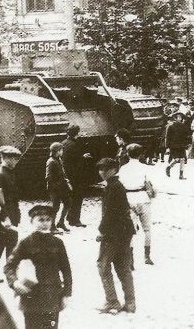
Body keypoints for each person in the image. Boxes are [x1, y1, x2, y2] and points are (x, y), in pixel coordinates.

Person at [4, 204, 72, 329]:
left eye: (48, 220)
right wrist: (14, 283)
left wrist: (67, 294)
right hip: (31, 298)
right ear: (32, 221)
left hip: (52, 296)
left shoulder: (58, 242)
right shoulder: (25, 243)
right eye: (40, 220)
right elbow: (9, 266)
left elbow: (66, 270)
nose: (44, 223)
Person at [95, 157, 135, 314]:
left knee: (103, 266)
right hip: (125, 232)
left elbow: (110, 213)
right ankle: (130, 303)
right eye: (100, 169)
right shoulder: (117, 185)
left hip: (113, 234)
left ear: (114, 170)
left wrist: (101, 231)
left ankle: (112, 302)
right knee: (123, 267)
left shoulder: (112, 187)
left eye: (105, 169)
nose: (101, 172)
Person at [118, 143, 157, 265]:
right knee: (147, 229)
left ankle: (131, 260)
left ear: (128, 154)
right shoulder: (144, 167)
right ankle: (147, 256)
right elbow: (152, 185)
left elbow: (120, 185)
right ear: (140, 154)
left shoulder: (123, 169)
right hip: (143, 198)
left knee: (130, 231)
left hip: (129, 199)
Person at [62, 124, 90, 227]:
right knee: (78, 197)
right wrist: (83, 157)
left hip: (66, 175)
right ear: (77, 133)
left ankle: (69, 217)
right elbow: (75, 161)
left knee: (70, 197)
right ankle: (75, 220)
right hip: (75, 176)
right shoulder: (74, 145)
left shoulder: (64, 143)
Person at [45, 142, 71, 233]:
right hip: (54, 189)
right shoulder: (51, 161)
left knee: (68, 203)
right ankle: (52, 227)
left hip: (62, 187)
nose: (62, 151)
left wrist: (66, 182)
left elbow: (62, 172)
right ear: (57, 151)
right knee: (55, 207)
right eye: (61, 150)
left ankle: (61, 222)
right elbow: (48, 177)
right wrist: (56, 186)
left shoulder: (58, 159)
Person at [0, 145, 23, 227]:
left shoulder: (10, 171)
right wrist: (5, 216)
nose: (16, 161)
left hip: (13, 207)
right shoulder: (0, 174)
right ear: (6, 158)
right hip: (6, 211)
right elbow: (0, 198)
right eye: (14, 159)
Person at [165, 112, 191, 179]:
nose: (180, 118)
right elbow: (167, 137)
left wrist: (188, 143)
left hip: (182, 145)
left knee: (182, 159)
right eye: (178, 117)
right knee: (176, 159)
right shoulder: (171, 126)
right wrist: (167, 147)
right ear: (175, 118)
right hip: (173, 145)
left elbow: (187, 136)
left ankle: (181, 175)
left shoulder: (184, 126)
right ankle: (169, 167)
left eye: (181, 117)